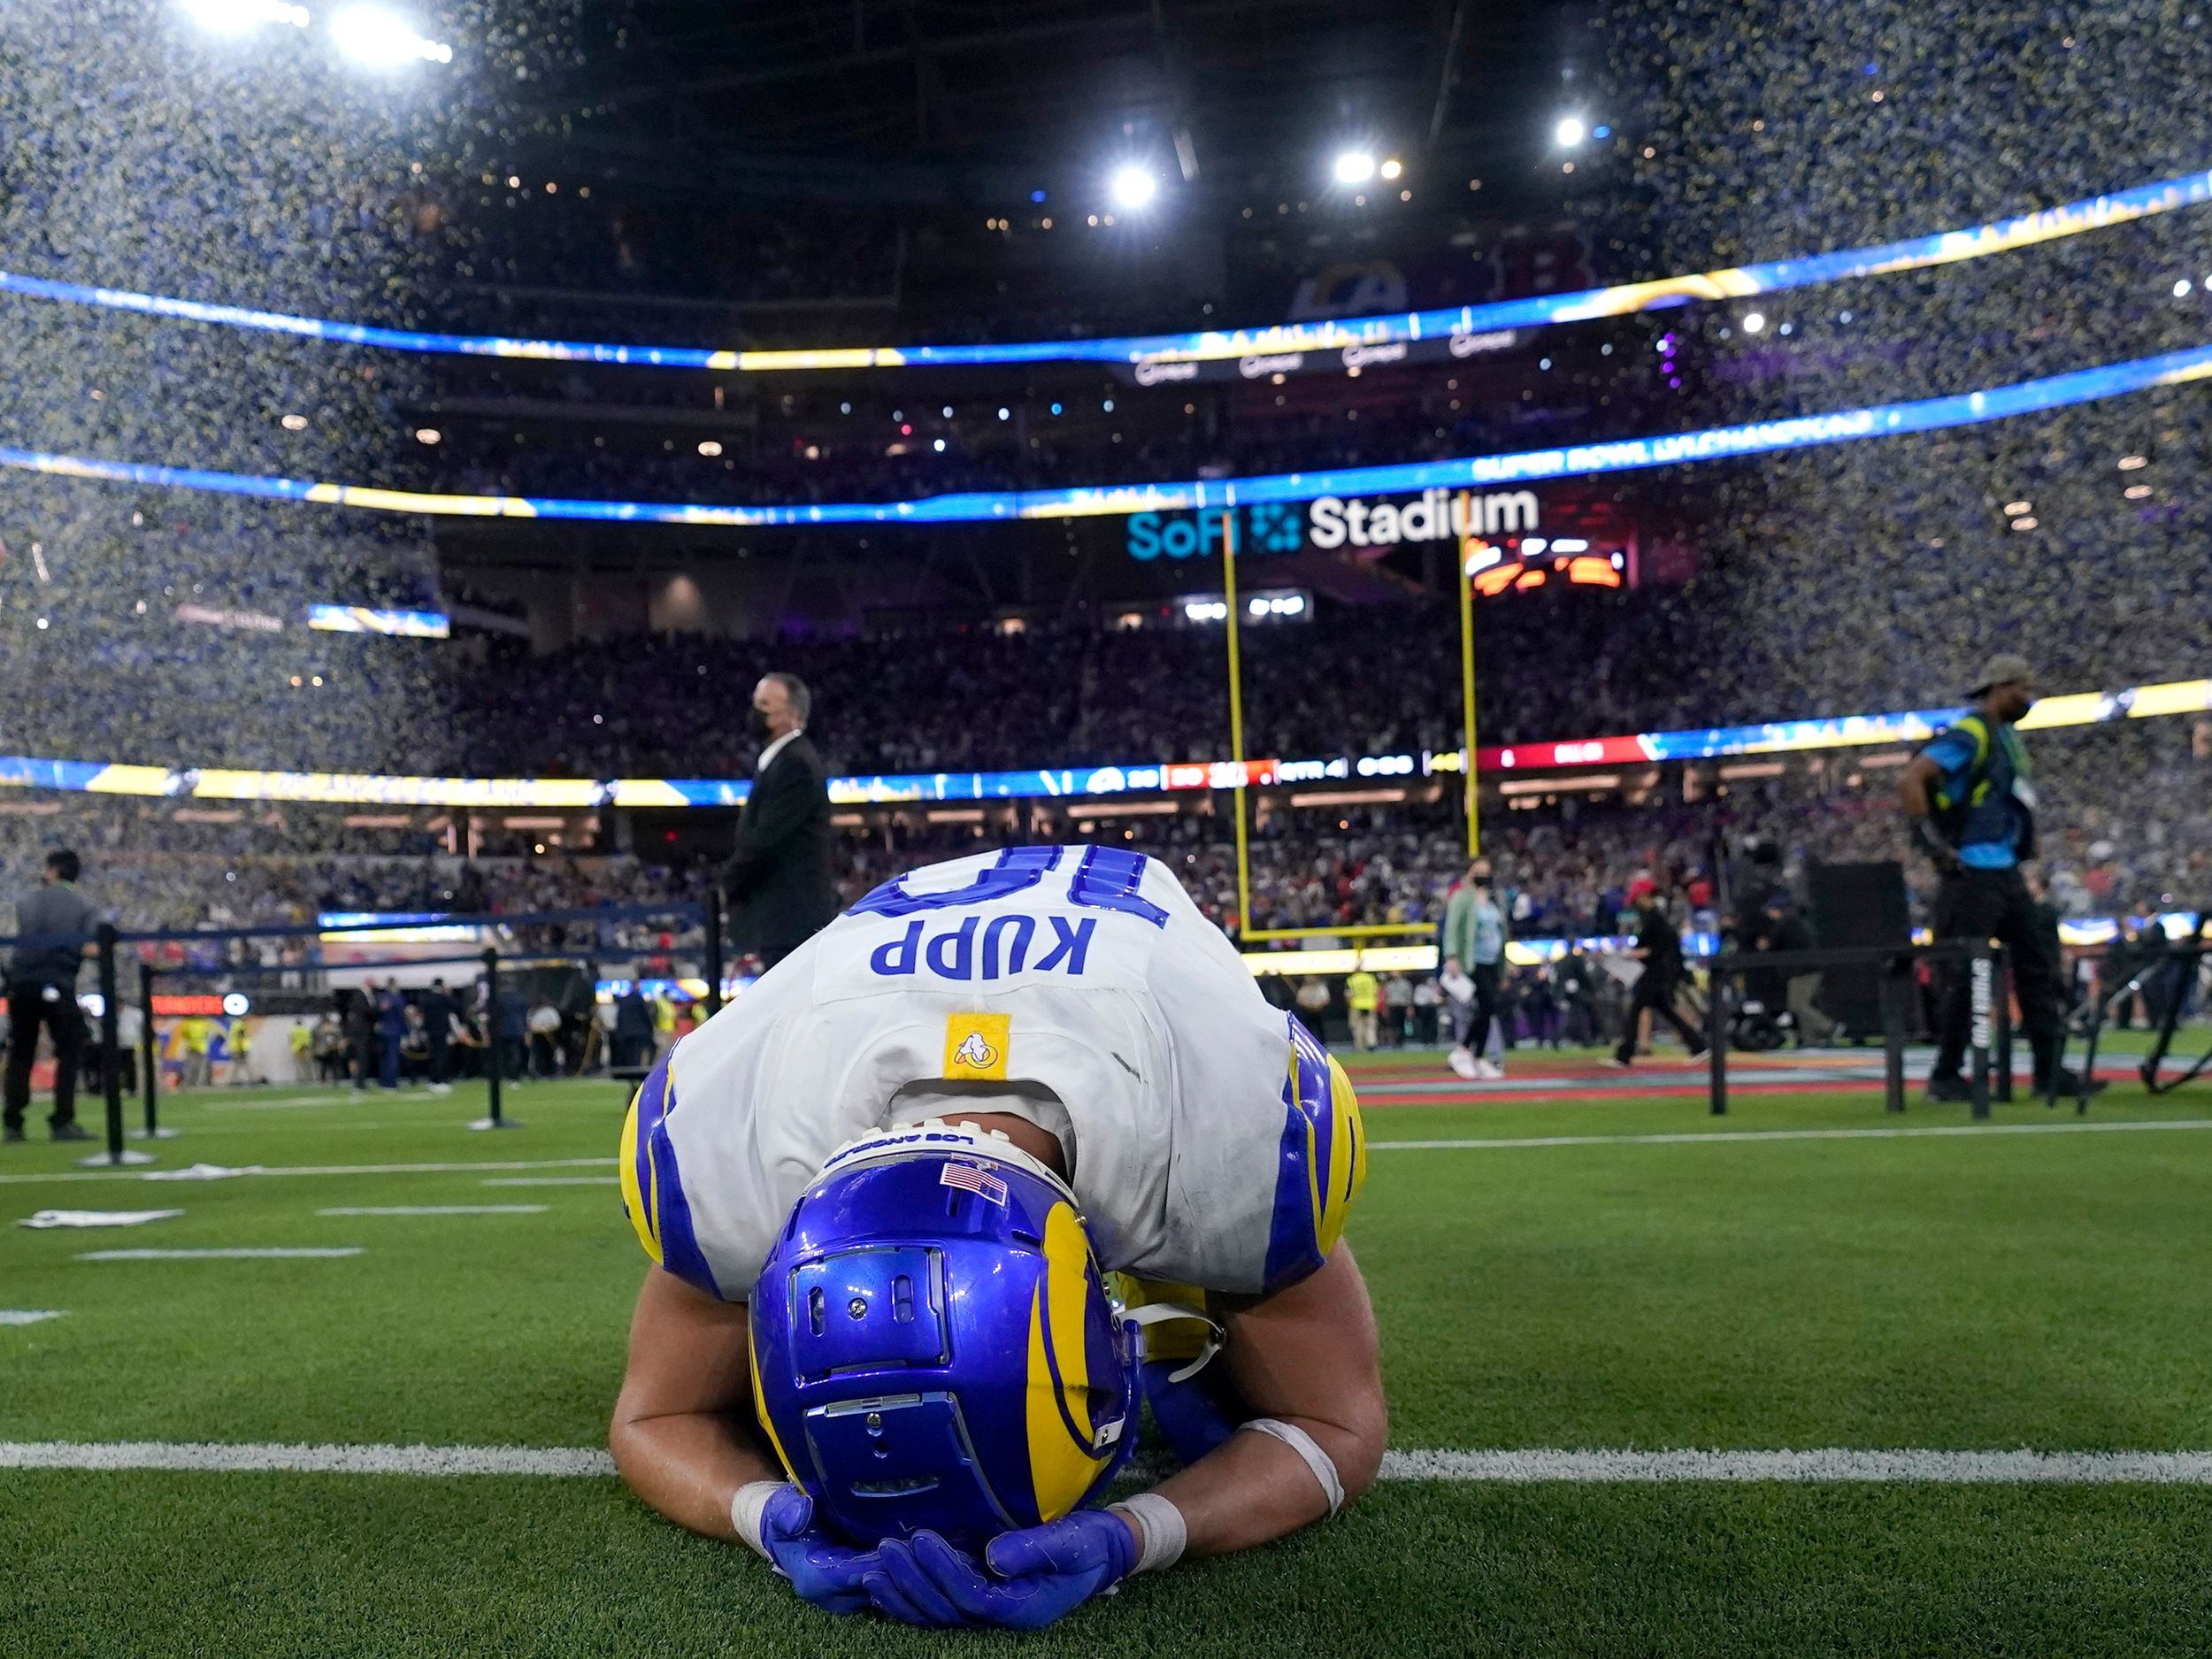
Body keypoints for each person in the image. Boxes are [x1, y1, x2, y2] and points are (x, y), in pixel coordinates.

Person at [609, 845, 1385, 1632]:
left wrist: (1134, 1535)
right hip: (894, 982)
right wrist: (768, 1517)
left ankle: (1175, 1311)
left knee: (1209, 1380)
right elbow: (651, 1415)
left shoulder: (1219, 1129)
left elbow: (1339, 1424)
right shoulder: (740, 1150)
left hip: (1119, 961)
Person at [1901, 653, 2096, 1101]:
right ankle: (1946, 1075)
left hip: (2003, 872)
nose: (2028, 698)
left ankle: (2048, 1071)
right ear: (1997, 689)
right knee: (1966, 976)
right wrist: (1932, 848)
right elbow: (1912, 778)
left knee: (2039, 968)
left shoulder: (2006, 737)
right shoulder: (1972, 732)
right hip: (1972, 873)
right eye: (2020, 690)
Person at [721, 672, 837, 973]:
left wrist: (728, 880)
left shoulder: (794, 763)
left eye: (765, 704)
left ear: (793, 715)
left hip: (791, 920)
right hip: (783, 918)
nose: (756, 711)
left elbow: (767, 839)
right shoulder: (779, 759)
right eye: (755, 702)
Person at [4, 849, 99, 1143]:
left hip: (22, 983)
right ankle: (62, 1120)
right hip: (59, 981)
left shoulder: (27, 901)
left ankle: (13, 1123)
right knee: (70, 1050)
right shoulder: (86, 906)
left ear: (52, 870)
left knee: (21, 1052)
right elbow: (92, 949)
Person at [1607, 887, 1709, 1067]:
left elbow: (1656, 948)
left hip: (1654, 973)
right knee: (1666, 1011)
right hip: (1660, 972)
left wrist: (1633, 954)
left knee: (1636, 1011)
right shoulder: (1658, 917)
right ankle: (1698, 1045)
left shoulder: (1654, 918)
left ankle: (1624, 1055)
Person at [1442, 856, 1508, 1080]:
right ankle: (1464, 1051)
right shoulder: (1462, 897)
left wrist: (1504, 965)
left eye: (1485, 871)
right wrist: (1452, 956)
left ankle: (1477, 1056)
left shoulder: (1493, 899)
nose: (1482, 875)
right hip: (1473, 961)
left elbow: (1501, 931)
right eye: (1477, 870)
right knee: (1486, 1006)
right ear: (1469, 873)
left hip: (1491, 961)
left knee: (1488, 1010)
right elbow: (1452, 927)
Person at [419, 978, 457, 1094]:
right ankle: (439, 1080)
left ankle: (433, 1079)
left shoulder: (426, 999)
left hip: (430, 1031)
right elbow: (456, 1006)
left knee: (433, 1055)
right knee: (441, 1056)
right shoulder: (444, 998)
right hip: (442, 1031)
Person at [611, 983, 657, 1070]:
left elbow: (620, 1017)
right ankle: (636, 1072)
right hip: (639, 1032)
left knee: (628, 1054)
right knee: (637, 1053)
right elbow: (645, 1015)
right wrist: (650, 1028)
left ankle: (628, 1072)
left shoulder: (625, 1000)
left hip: (625, 1032)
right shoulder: (639, 999)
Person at [374, 977, 409, 1091]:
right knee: (393, 1058)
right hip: (394, 1031)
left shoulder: (380, 997)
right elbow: (401, 1017)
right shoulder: (398, 998)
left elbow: (377, 1013)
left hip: (382, 1030)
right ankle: (391, 1083)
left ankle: (384, 1081)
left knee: (384, 1058)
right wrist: (406, 1033)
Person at [1344, 964, 1380, 1051]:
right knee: (1371, 1026)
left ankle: (1360, 1046)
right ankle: (1371, 1044)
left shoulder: (1351, 980)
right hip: (1370, 1004)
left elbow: (1348, 995)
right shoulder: (1370, 978)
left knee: (1357, 1027)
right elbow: (1376, 992)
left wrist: (1349, 1004)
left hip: (1356, 1005)